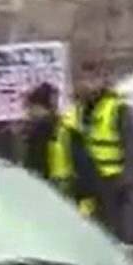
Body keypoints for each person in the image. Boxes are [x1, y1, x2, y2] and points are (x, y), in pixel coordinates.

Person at [69, 61, 133, 239]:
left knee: (111, 233)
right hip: (85, 181)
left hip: (111, 180)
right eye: (83, 80)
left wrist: (126, 180)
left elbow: (132, 149)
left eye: (93, 79)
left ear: (104, 80)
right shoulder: (77, 110)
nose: (87, 85)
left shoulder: (118, 109)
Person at [21, 82, 102, 217]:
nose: (27, 113)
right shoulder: (63, 127)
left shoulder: (45, 131)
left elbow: (34, 166)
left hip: (56, 191)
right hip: (63, 190)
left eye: (29, 107)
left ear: (39, 106)